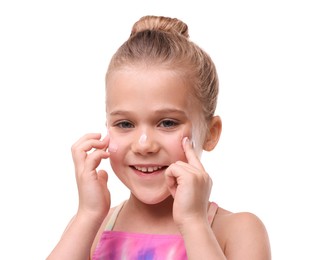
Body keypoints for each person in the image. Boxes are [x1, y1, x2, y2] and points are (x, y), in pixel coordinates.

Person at [47, 15, 271, 260]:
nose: (144, 145)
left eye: (167, 123)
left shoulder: (237, 231)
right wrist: (88, 214)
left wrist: (193, 222)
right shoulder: (92, 228)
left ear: (210, 133)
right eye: (125, 123)